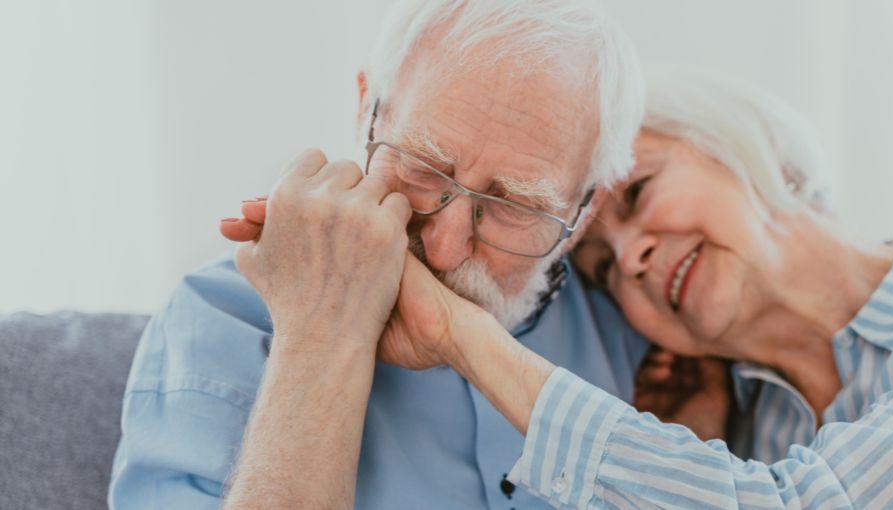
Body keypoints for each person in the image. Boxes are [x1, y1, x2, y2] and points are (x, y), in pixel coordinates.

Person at [108, 1, 658, 508]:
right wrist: (319, 337)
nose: (443, 249)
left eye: (514, 205)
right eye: (422, 166)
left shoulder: (635, 329)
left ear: (587, 208)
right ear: (365, 111)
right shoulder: (216, 320)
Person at [313, 68, 893, 508]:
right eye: (602, 271)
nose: (631, 258)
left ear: (740, 142)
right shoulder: (748, 427)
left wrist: (460, 334)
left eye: (639, 193)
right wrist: (703, 438)